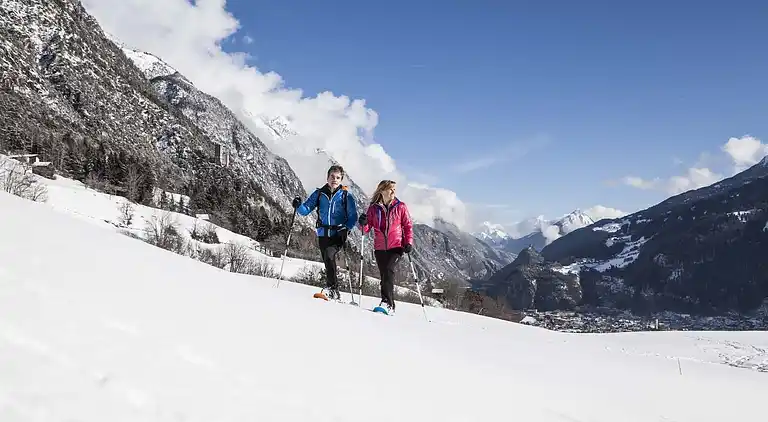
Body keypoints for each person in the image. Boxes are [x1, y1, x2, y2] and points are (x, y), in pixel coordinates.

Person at [292, 165, 358, 301]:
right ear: (327, 177)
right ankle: (334, 291)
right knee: (327, 259)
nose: (334, 179)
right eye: (332, 177)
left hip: (339, 233)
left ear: (341, 180)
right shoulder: (319, 194)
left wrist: (346, 228)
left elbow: (353, 216)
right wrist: (298, 205)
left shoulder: (346, 196)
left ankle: (332, 289)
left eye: (338, 177)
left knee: (329, 256)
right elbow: (305, 210)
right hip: (322, 233)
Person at [358, 179, 413, 315]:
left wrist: (409, 242)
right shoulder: (373, 208)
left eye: (394, 189)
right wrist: (363, 223)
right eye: (390, 189)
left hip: (397, 246)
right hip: (380, 248)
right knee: (384, 276)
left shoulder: (401, 206)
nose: (393, 191)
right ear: (382, 191)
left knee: (389, 270)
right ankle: (390, 305)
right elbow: (366, 229)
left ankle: (386, 303)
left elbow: (407, 226)